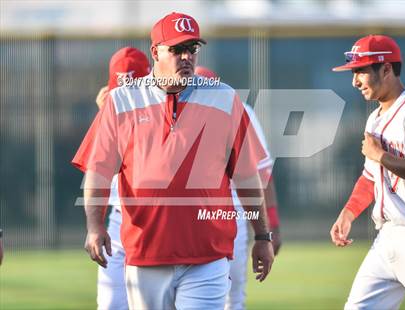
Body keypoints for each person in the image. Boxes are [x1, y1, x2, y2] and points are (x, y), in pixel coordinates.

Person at [73, 12, 274, 310]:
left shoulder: (224, 98)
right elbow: (99, 172)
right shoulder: (122, 100)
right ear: (155, 52)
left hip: (208, 258)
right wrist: (94, 225)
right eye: (176, 49)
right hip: (145, 256)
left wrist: (262, 235)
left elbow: (246, 177)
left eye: (192, 49)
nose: (186, 57)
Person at [330, 34, 405, 309]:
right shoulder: (375, 118)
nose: (354, 81)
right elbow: (371, 176)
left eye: (360, 71)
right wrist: (348, 213)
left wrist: (379, 154)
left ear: (386, 68)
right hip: (387, 236)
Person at [195, 66, 282, 310]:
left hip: (232, 203)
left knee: (232, 295)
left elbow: (262, 174)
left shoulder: (241, 111)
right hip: (187, 208)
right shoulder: (173, 111)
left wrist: (270, 225)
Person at [94, 46, 150, 310]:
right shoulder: (111, 113)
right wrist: (104, 116)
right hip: (119, 219)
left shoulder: (163, 109)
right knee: (110, 305)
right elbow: (100, 166)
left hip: (157, 222)